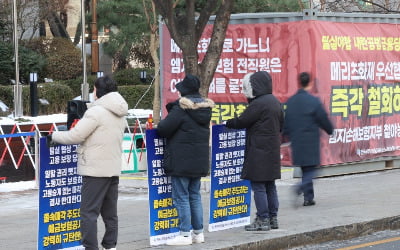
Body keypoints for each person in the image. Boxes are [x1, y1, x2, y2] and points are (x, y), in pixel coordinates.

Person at [48, 75, 128, 250]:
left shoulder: (96, 112)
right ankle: (110, 246)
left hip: (95, 170)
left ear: (98, 91)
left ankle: (91, 247)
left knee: (88, 213)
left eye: (93, 89)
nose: (93, 92)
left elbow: (75, 135)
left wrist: (54, 135)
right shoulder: (120, 111)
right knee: (110, 213)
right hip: (112, 168)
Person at [157, 74, 214, 246]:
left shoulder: (181, 109)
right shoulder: (205, 110)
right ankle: (198, 233)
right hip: (198, 161)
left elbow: (163, 129)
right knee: (194, 196)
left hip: (181, 160)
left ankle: (184, 234)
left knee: (181, 197)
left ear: (184, 92)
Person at [225, 71, 284, 231]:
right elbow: (282, 125)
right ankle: (273, 219)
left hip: (258, 151)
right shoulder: (275, 102)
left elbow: (242, 121)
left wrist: (227, 123)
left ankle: (262, 220)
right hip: (272, 151)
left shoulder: (258, 104)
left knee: (258, 186)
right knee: (270, 186)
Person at [283, 72, 333, 206]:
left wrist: (287, 135)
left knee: (306, 169)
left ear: (299, 82)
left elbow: (286, 123)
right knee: (312, 169)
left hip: (297, 141)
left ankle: (308, 198)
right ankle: (300, 187)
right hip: (310, 141)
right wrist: (330, 129)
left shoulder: (291, 101)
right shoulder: (313, 101)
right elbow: (323, 118)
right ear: (310, 83)